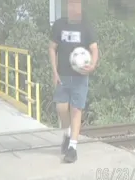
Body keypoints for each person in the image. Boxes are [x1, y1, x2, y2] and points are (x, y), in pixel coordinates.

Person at [48, 0, 98, 163]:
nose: (73, 8)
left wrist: (92, 65)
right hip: (62, 75)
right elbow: (52, 48)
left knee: (76, 110)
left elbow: (94, 49)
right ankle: (67, 133)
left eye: (76, 4)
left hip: (80, 77)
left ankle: (72, 148)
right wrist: (54, 72)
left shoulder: (86, 26)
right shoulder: (59, 25)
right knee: (61, 108)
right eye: (70, 5)